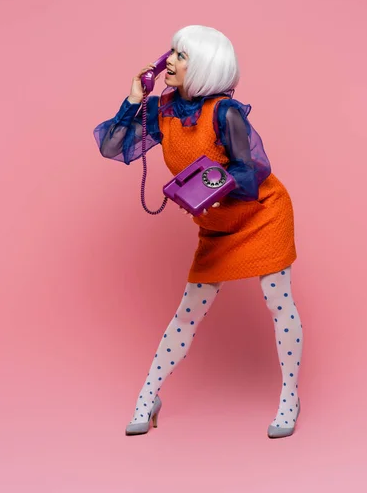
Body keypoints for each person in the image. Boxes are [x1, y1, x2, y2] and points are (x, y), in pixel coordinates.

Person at [93, 25, 303, 438]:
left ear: (204, 65)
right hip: (217, 224)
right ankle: (148, 396)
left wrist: (202, 187)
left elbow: (250, 172)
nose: (169, 60)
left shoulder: (225, 113)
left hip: (261, 215)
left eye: (182, 55)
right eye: (171, 51)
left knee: (279, 303)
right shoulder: (165, 109)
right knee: (188, 314)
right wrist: (135, 99)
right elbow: (112, 146)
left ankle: (290, 398)